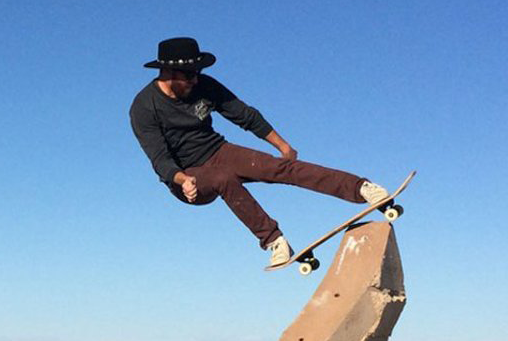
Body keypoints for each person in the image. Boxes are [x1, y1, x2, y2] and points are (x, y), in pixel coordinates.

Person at [128, 37, 389, 270]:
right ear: (168, 72)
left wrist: (282, 146)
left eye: (197, 73)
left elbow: (244, 115)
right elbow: (159, 158)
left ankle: (361, 188)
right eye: (188, 76)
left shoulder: (204, 85)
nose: (195, 80)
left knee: (278, 167)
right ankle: (274, 241)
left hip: (218, 150)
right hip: (186, 175)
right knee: (222, 179)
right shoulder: (144, 107)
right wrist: (182, 180)